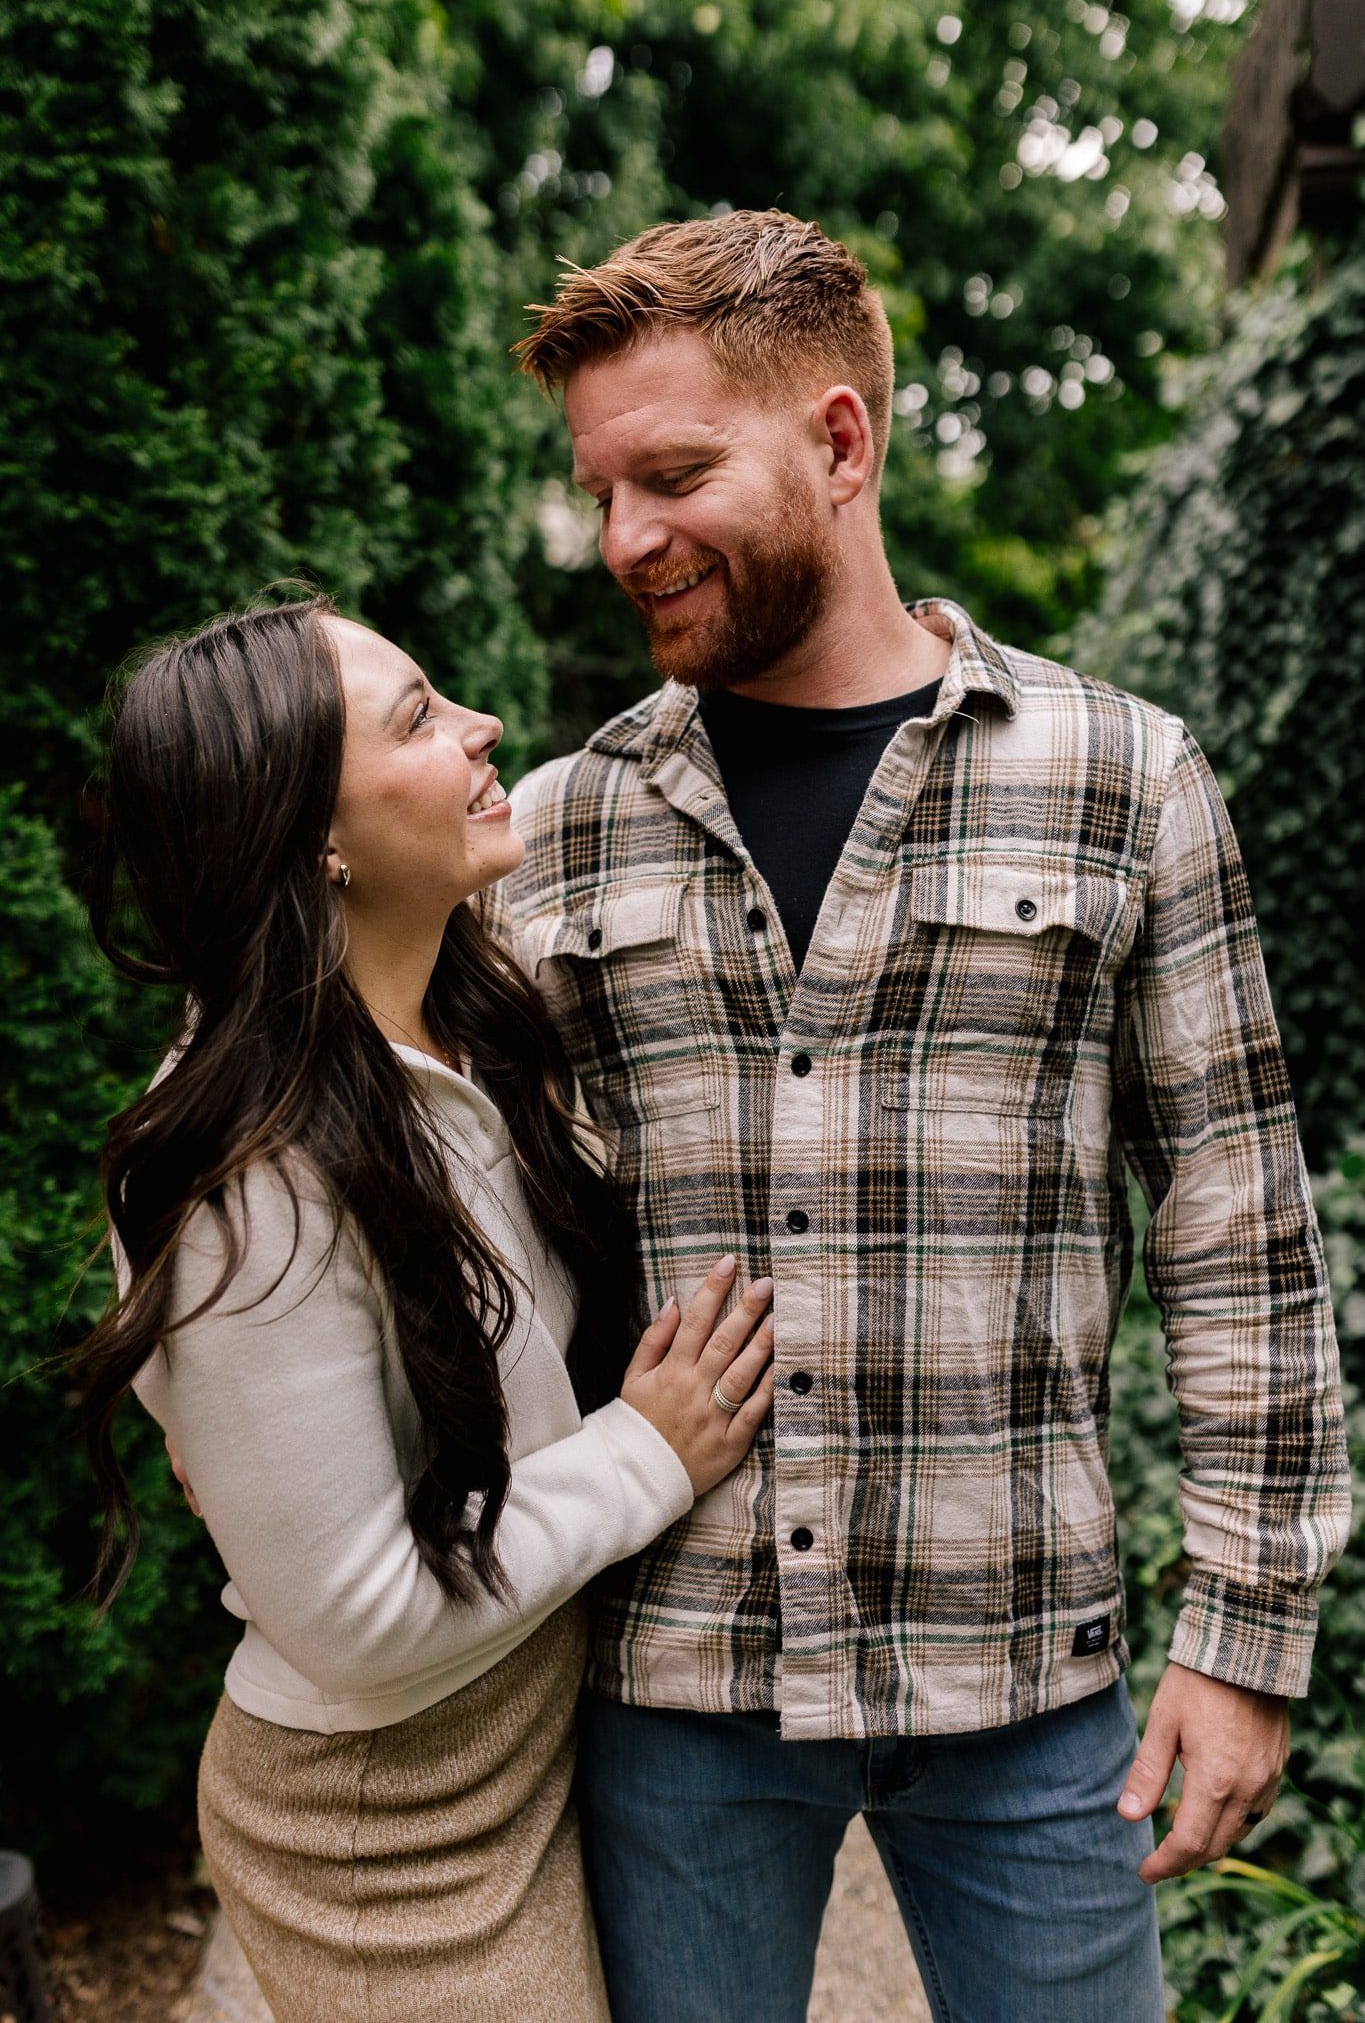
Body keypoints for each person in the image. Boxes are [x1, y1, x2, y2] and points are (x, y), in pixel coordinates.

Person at [494, 210, 1352, 2023]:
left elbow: (1236, 1219)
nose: (622, 538)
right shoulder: (561, 822)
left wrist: (1244, 1638)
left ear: (838, 441)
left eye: (670, 474)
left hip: (1027, 1679)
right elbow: (418, 1163)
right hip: (677, 1677)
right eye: (600, 491)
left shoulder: (1122, 779)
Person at [72, 594, 777, 2023]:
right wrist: (650, 1451)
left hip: (540, 1720)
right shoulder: (243, 1173)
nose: (482, 727)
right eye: (416, 719)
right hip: (382, 1821)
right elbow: (348, 1616)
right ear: (311, 837)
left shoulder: (477, 1018)